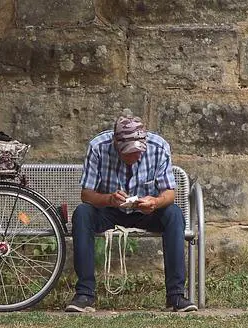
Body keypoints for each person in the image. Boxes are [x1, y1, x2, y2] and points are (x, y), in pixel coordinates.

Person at [65, 115, 198, 313]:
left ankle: (176, 295)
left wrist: (155, 202)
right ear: (115, 145)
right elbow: (86, 194)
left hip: (146, 210)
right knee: (82, 213)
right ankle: (84, 294)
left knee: (174, 214)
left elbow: (169, 193)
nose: (134, 157)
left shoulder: (159, 147)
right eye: (128, 153)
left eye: (138, 153)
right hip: (109, 209)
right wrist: (109, 198)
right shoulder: (98, 147)